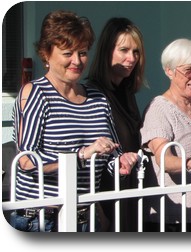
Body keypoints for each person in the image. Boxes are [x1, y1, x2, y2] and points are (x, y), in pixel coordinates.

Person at [10, 10, 139, 232]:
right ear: (46, 54)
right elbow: (27, 161)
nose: (77, 61)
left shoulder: (97, 98)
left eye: (82, 53)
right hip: (42, 219)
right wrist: (81, 155)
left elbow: (110, 155)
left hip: (86, 217)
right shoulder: (35, 93)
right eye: (67, 53)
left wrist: (120, 162)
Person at [140, 38, 191, 232]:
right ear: (169, 71)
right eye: (188, 71)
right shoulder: (159, 109)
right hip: (176, 218)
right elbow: (164, 159)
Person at [86, 17, 146, 232]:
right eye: (124, 50)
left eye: (136, 51)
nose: (131, 58)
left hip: (130, 193)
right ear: (107, 51)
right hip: (106, 199)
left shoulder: (127, 93)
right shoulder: (93, 93)